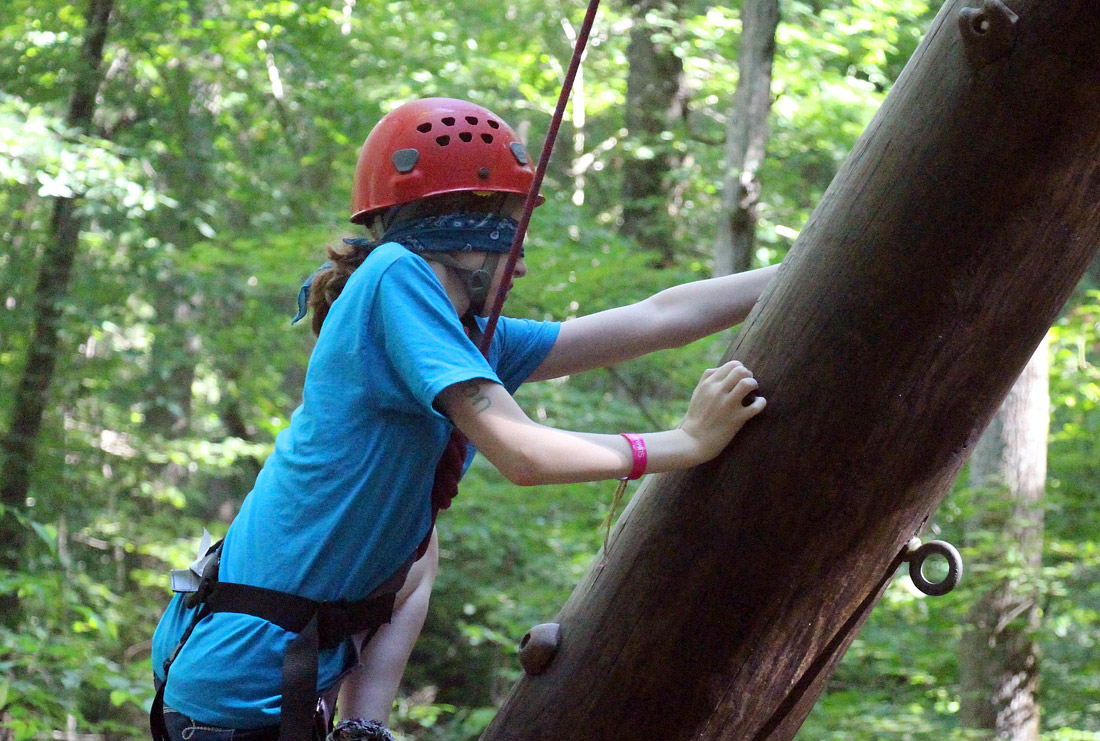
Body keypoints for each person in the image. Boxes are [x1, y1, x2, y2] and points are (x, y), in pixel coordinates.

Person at [149, 97, 778, 741]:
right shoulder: (395, 277)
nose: (522, 258)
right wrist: (687, 442)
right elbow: (523, 454)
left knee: (422, 538)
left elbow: (658, 317)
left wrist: (799, 267)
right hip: (238, 702)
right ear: (466, 233)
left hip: (270, 698)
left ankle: (363, 726)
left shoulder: (471, 335)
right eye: (512, 226)